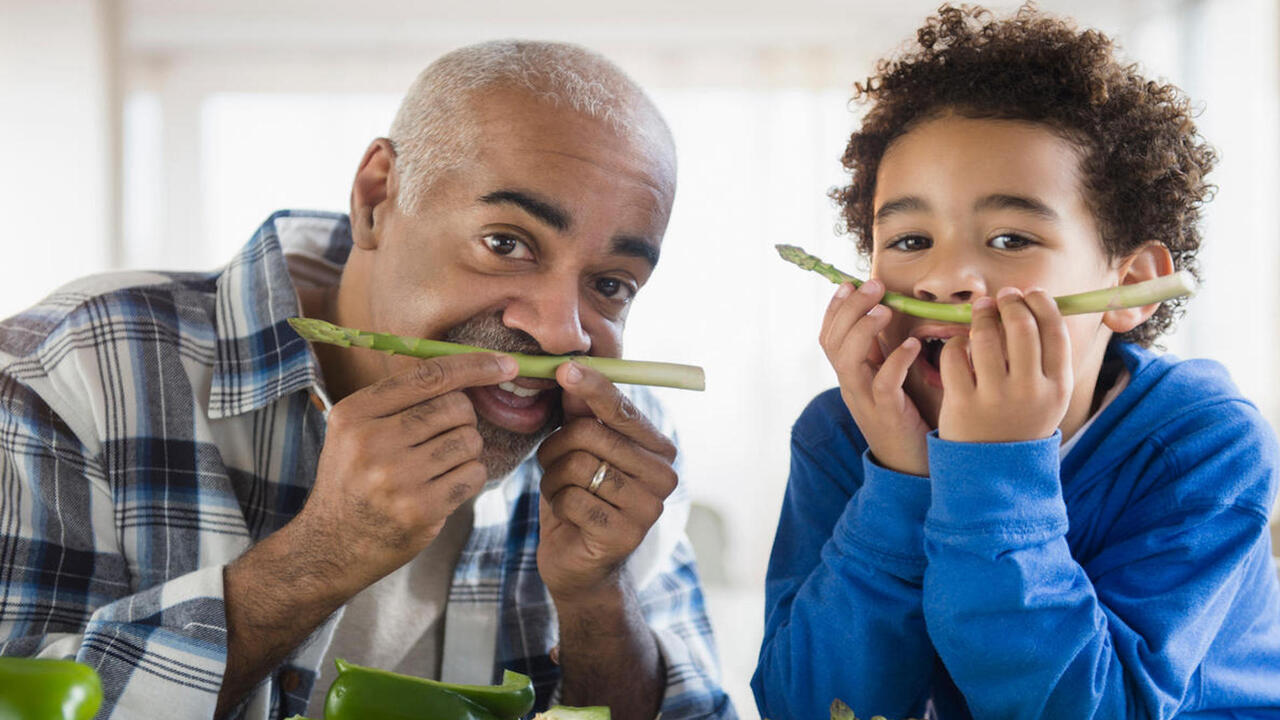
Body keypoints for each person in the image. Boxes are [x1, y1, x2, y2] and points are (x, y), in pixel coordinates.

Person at [0, 41, 733, 720]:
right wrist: (320, 557)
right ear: (378, 195)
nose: (561, 331)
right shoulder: (69, 369)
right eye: (506, 243)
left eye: (610, 283)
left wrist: (598, 601)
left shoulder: (627, 446)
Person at [753, 5, 1280, 720]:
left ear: (1129, 287)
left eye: (1008, 238)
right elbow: (813, 708)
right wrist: (900, 480)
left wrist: (995, 471)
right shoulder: (841, 434)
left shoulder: (1202, 441)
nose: (945, 280)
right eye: (910, 241)